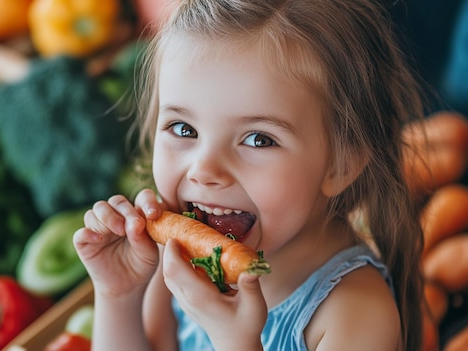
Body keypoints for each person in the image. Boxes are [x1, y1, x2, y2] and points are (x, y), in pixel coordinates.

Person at [73, 0, 425, 350]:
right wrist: (118, 295)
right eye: (183, 129)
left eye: (259, 139)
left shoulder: (356, 314)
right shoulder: (179, 270)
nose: (204, 170)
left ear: (341, 164)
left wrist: (235, 341)